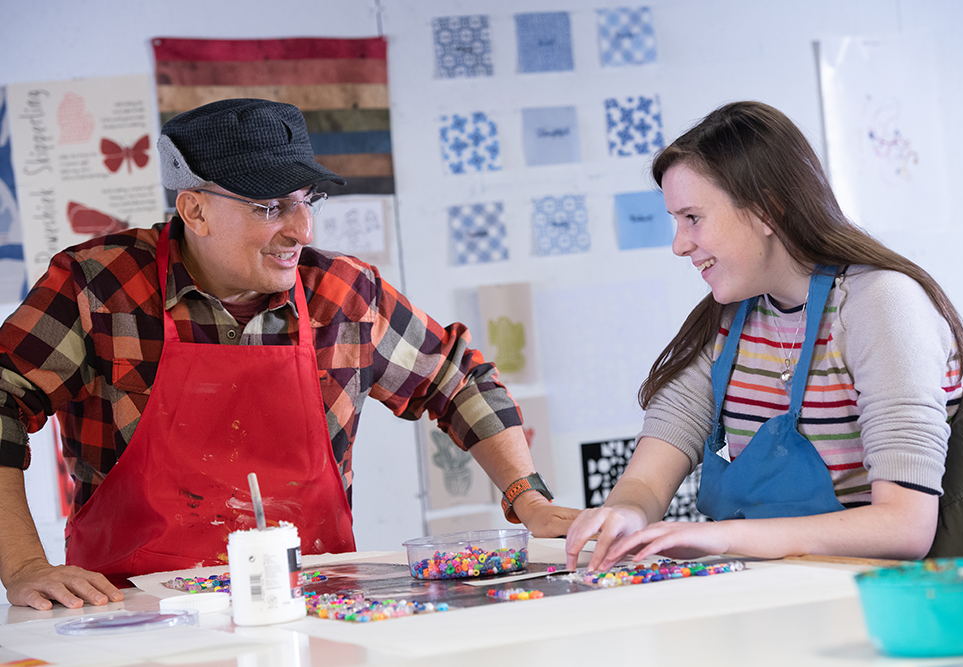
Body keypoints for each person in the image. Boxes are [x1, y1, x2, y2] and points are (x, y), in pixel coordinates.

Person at [0, 98, 578, 610]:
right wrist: (24, 566)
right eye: (270, 207)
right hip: (131, 614)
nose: (301, 229)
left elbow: (458, 379)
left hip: (309, 608)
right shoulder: (97, 287)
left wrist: (528, 499)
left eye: (307, 200)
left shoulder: (345, 296)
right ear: (194, 210)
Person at [565, 100, 963, 571]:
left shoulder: (880, 304)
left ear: (767, 210)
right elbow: (646, 482)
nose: (679, 244)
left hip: (869, 600)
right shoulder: (729, 318)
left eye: (692, 218)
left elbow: (905, 526)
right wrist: (626, 513)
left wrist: (723, 538)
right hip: (769, 588)